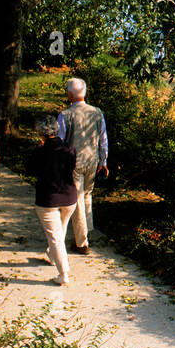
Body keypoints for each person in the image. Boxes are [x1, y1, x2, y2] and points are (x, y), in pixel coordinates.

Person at [57, 77, 108, 255]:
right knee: (87, 195)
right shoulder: (97, 113)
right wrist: (103, 162)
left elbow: (60, 141)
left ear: (70, 94)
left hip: (74, 162)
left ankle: (81, 242)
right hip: (92, 160)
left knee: (77, 199)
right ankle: (87, 231)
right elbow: (103, 139)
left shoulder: (65, 115)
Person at [27, 114, 77, 285]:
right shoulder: (69, 148)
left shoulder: (40, 151)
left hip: (48, 199)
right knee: (60, 233)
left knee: (55, 237)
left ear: (40, 132)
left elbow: (31, 169)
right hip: (70, 197)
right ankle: (54, 257)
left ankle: (63, 273)